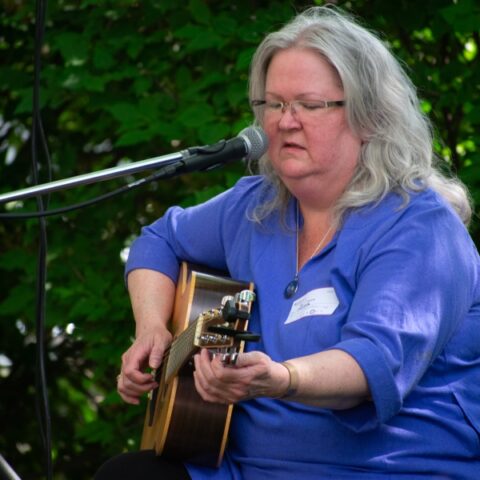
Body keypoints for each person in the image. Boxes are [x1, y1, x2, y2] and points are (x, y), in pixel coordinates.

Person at [95, 6, 480, 480]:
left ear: (369, 116)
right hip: (243, 469)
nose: (284, 122)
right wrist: (152, 328)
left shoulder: (419, 228)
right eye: (273, 105)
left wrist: (281, 379)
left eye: (308, 105)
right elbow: (157, 242)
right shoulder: (254, 207)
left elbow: (371, 365)